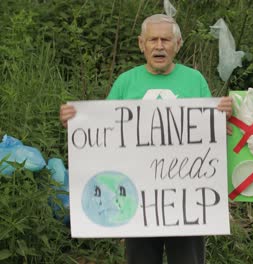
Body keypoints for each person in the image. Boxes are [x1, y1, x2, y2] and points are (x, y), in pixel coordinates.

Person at [60, 14, 232, 264]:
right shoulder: (125, 82)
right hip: (138, 198)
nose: (159, 45)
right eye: (153, 40)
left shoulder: (195, 80)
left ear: (178, 43)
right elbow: (102, 131)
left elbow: (211, 130)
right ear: (142, 44)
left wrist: (223, 117)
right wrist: (75, 120)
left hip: (187, 197)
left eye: (166, 39)